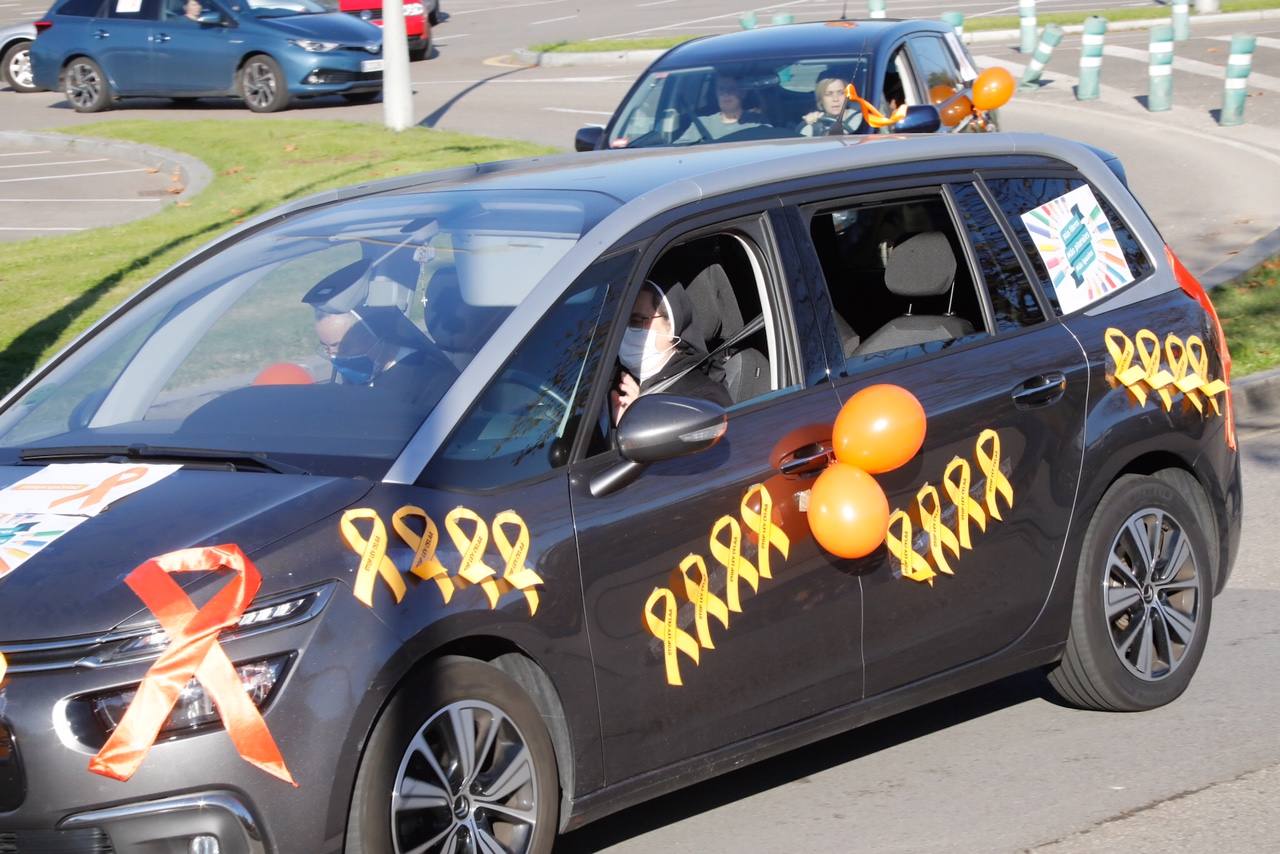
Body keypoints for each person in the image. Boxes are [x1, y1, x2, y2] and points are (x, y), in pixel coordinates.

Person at [611, 280, 731, 425]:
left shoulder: (704, 394)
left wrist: (644, 418)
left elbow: (721, 441)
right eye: (620, 322)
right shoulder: (607, 381)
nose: (625, 330)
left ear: (671, 327)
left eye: (636, 321)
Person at [674, 75, 768, 144]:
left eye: (731, 89)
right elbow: (678, 151)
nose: (726, 93)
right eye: (721, 89)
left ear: (743, 93)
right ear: (716, 94)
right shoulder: (702, 123)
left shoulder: (757, 122)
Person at [798, 77, 862, 137]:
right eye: (828, 94)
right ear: (820, 100)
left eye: (841, 93)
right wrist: (808, 123)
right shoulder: (814, 125)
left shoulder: (859, 120)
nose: (835, 99)